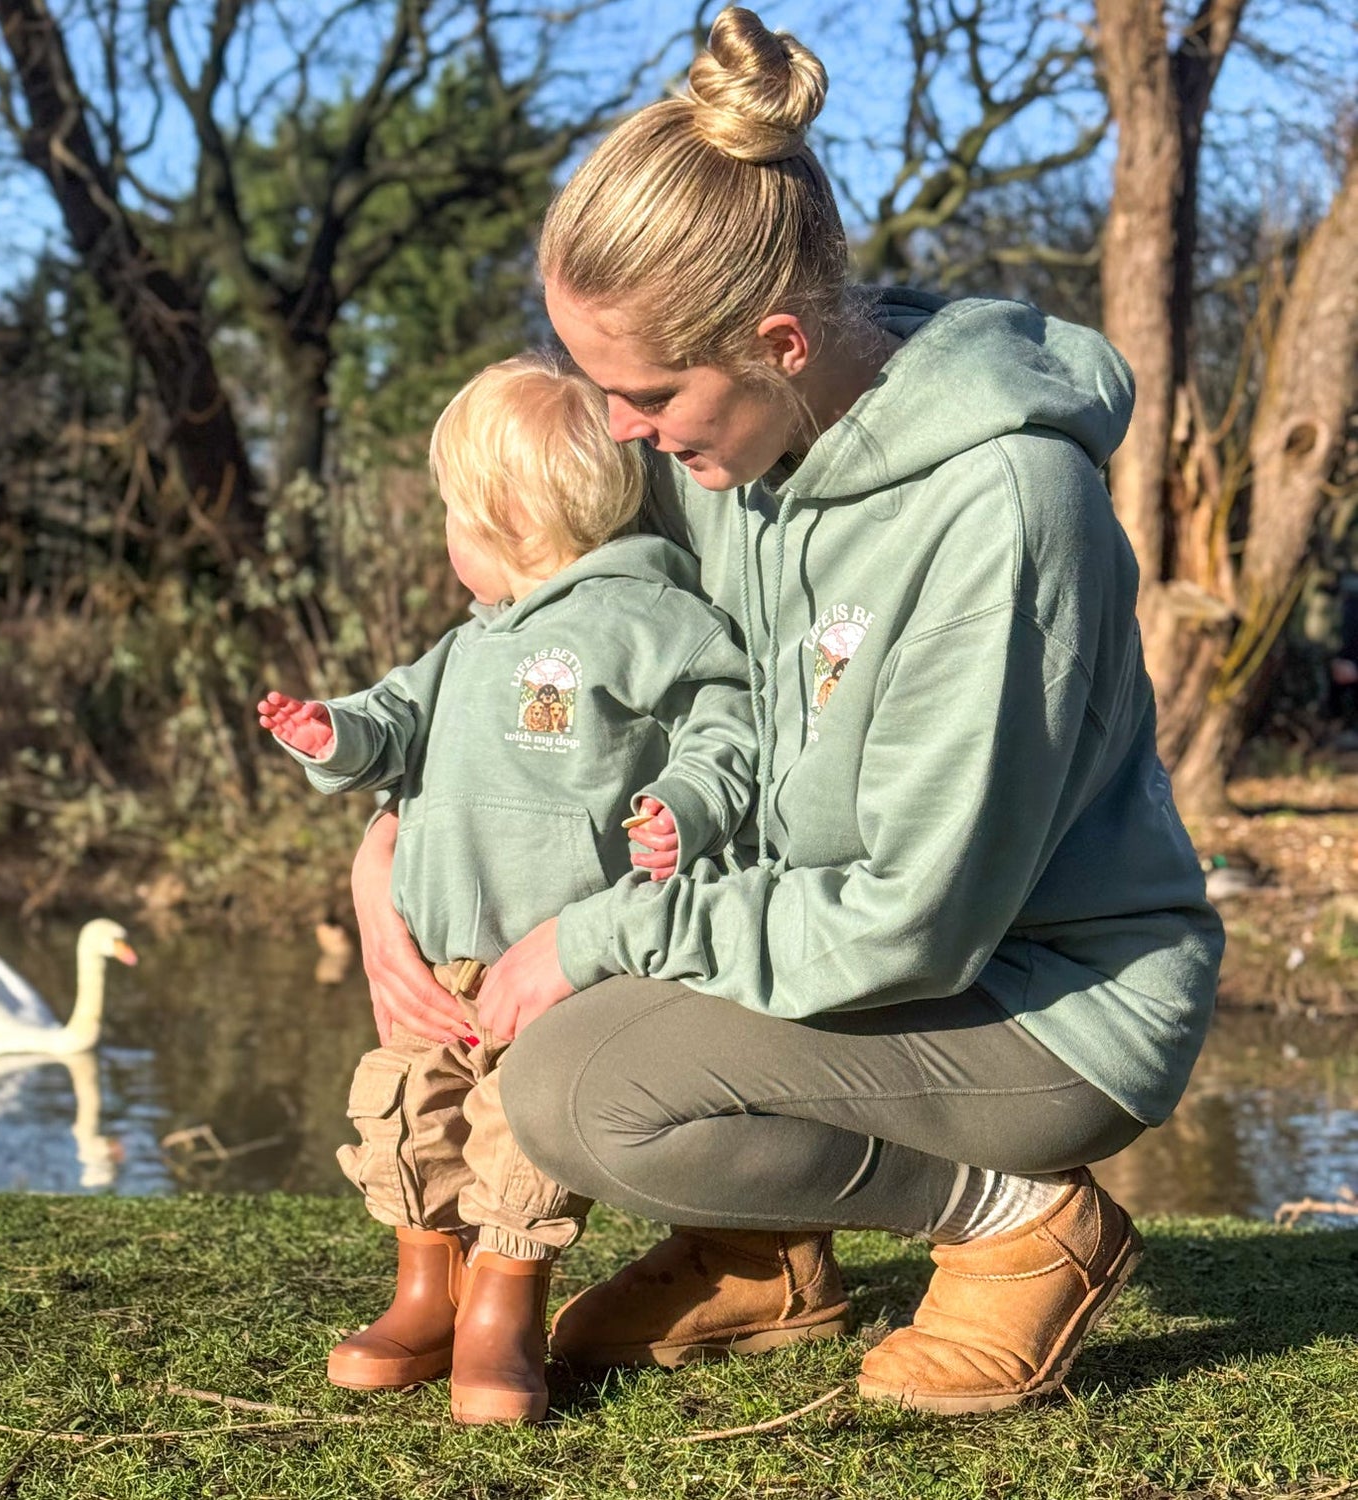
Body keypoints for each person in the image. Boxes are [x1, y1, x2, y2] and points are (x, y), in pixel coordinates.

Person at [351, 6, 1225, 1417]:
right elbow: (541, 675)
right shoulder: (733, 466)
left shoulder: (1005, 510)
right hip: (853, 972)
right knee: (575, 1057)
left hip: (1042, 1005)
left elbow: (912, 920)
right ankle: (761, 1255)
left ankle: (1015, 1219)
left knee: (577, 1091)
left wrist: (597, 931)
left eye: (643, 394)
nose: (622, 434)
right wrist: (391, 847)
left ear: (774, 338)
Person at [259, 352, 759, 1424]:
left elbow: (726, 720)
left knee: (515, 1132)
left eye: (455, 514)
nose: (447, 538)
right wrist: (329, 734)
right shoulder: (466, 647)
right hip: (442, 949)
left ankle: (503, 1311)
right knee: (409, 1108)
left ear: (511, 520)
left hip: (555, 958)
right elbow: (386, 724)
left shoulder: (641, 615)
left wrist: (684, 804)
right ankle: (425, 1291)